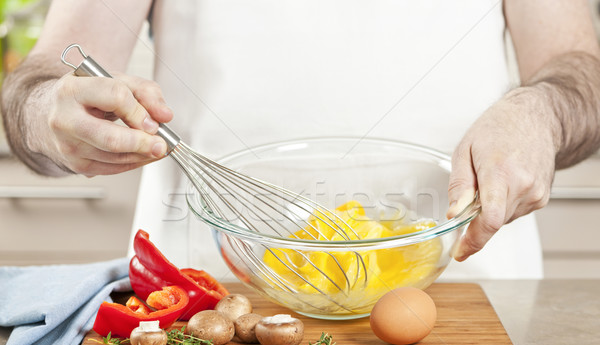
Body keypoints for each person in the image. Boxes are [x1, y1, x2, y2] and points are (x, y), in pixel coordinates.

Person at [2, 0, 600, 280]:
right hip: (209, 304)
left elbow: (580, 73)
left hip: (473, 297)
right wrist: (45, 109)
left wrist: (542, 111)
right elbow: (48, 76)